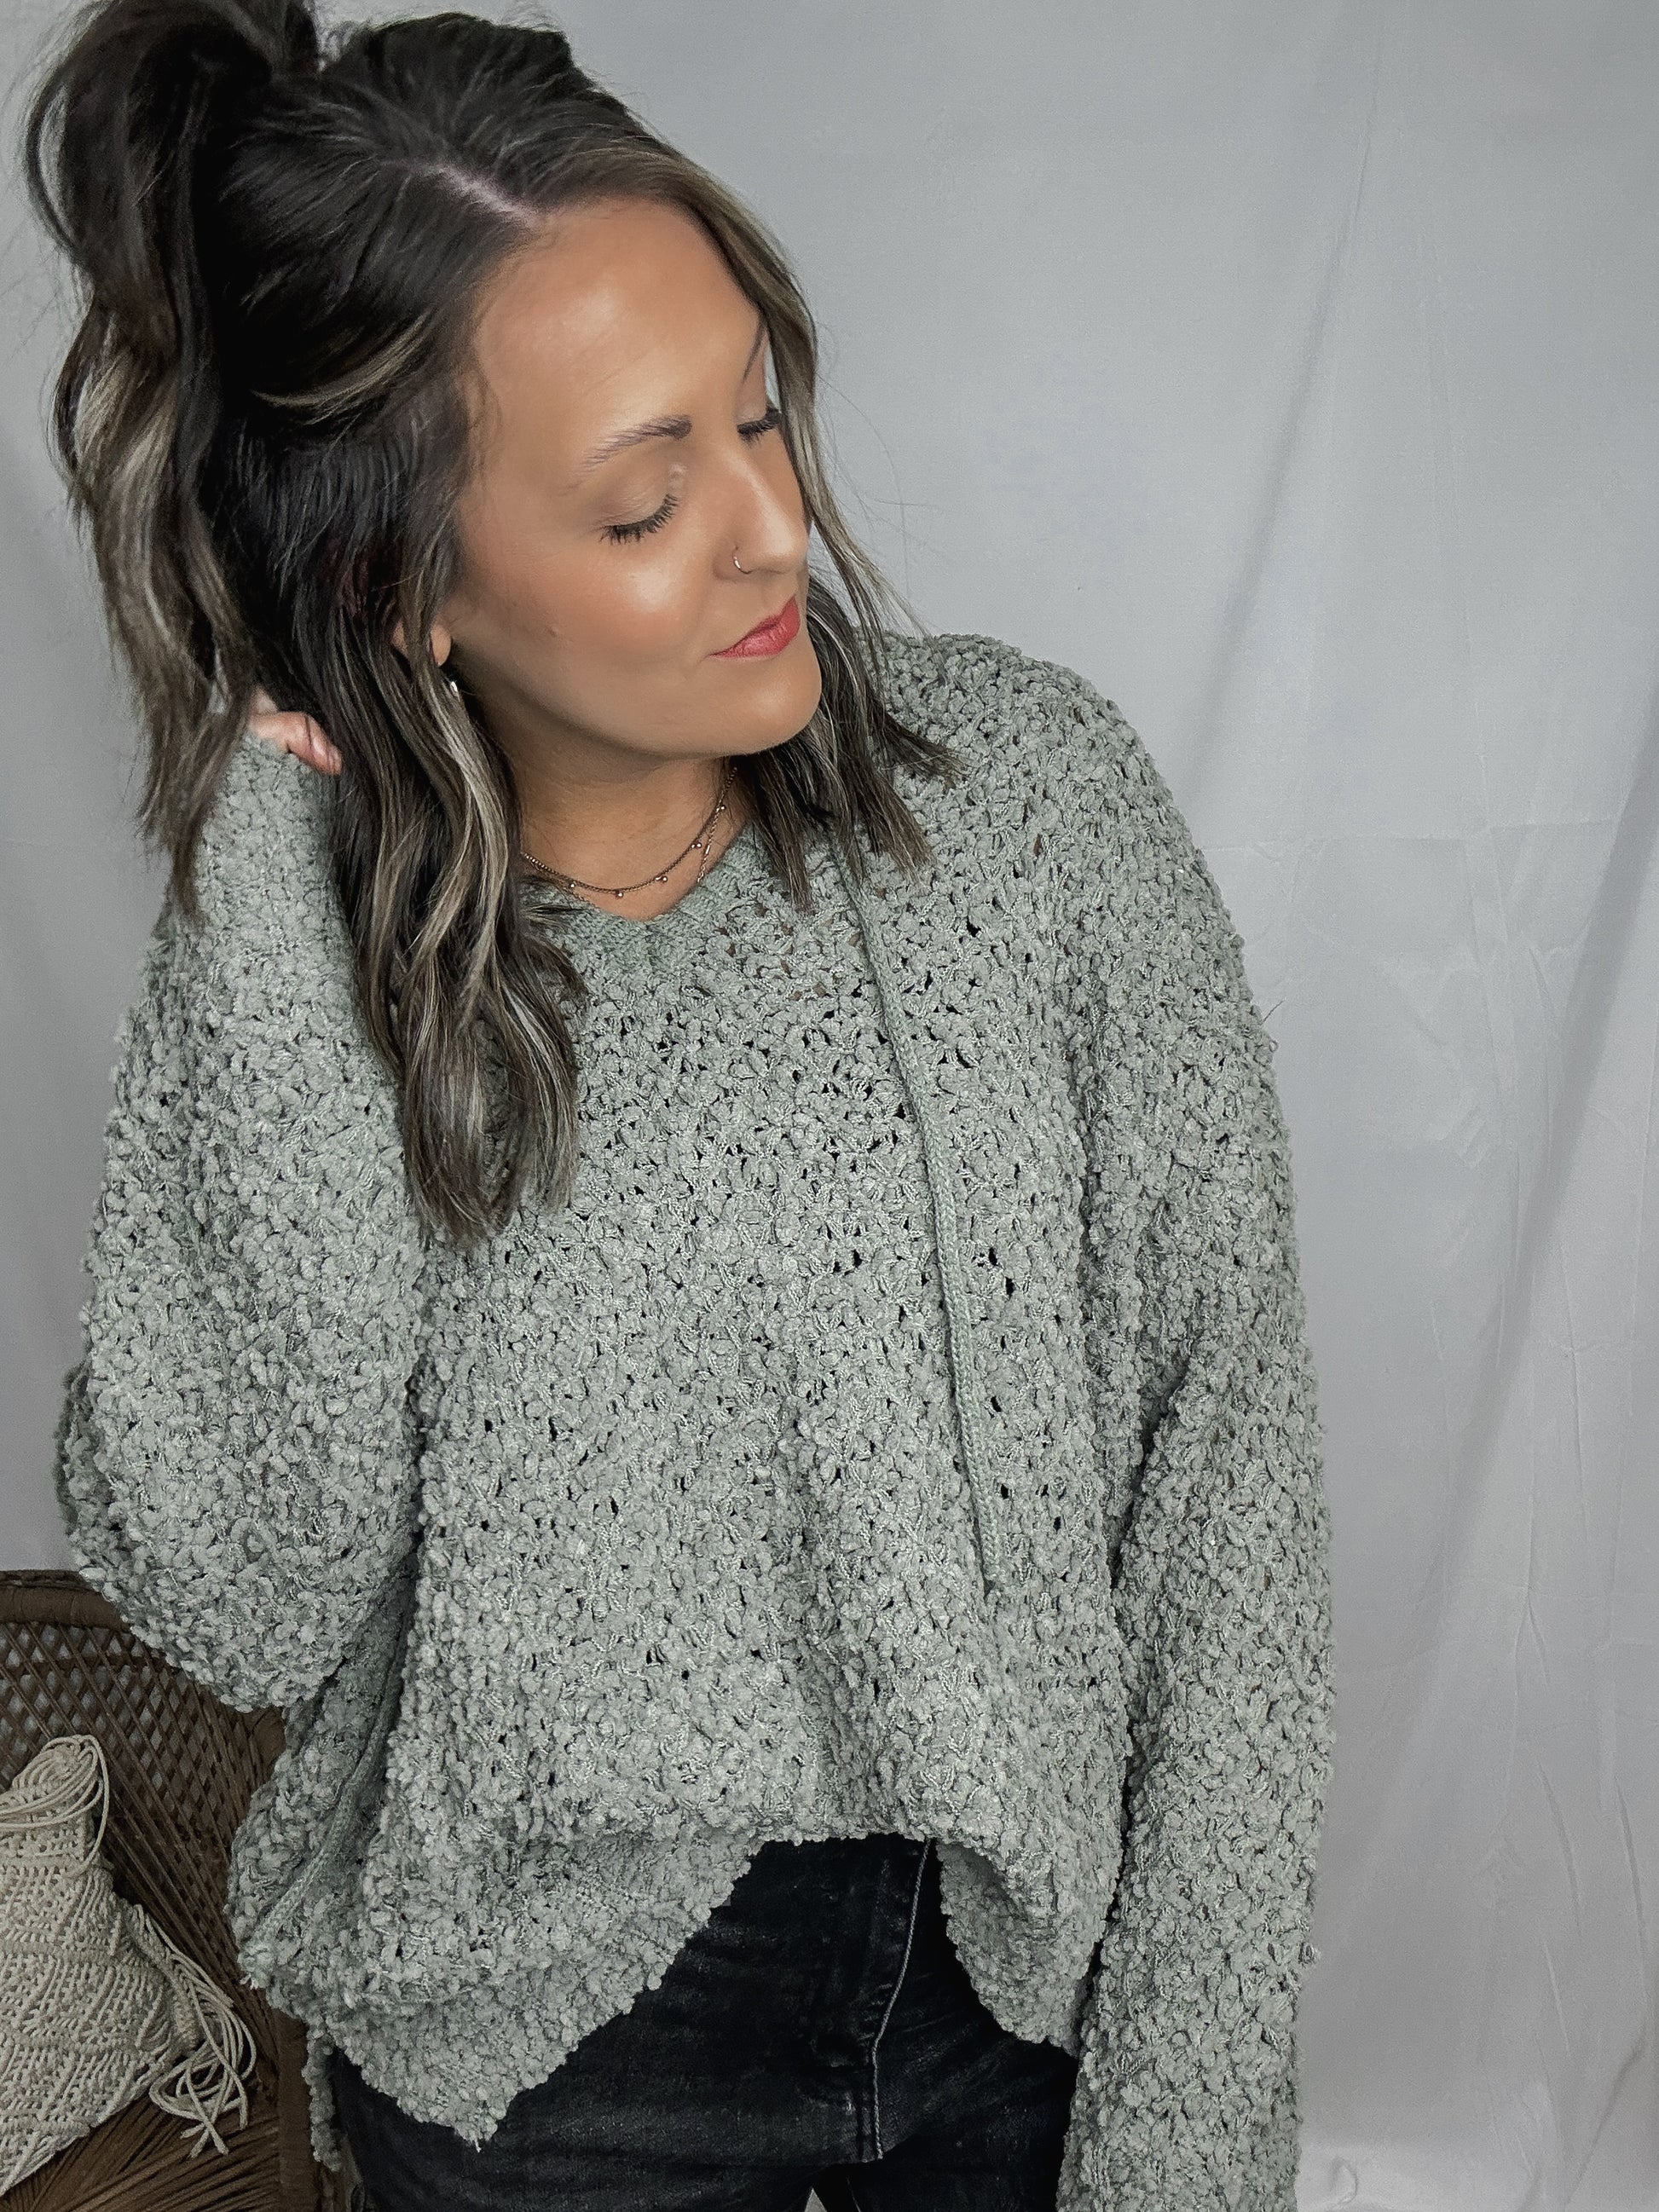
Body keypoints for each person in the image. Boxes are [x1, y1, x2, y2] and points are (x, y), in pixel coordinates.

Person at [24, 6, 1337, 2210]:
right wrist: (263, 884)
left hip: (1021, 1992)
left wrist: (1188, 2124)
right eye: (645, 499)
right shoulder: (315, 965)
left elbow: (1230, 1494)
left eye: (759, 412)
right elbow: (240, 1590)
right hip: (548, 2078)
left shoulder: (1031, 812)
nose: (772, 529)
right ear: (400, 586)